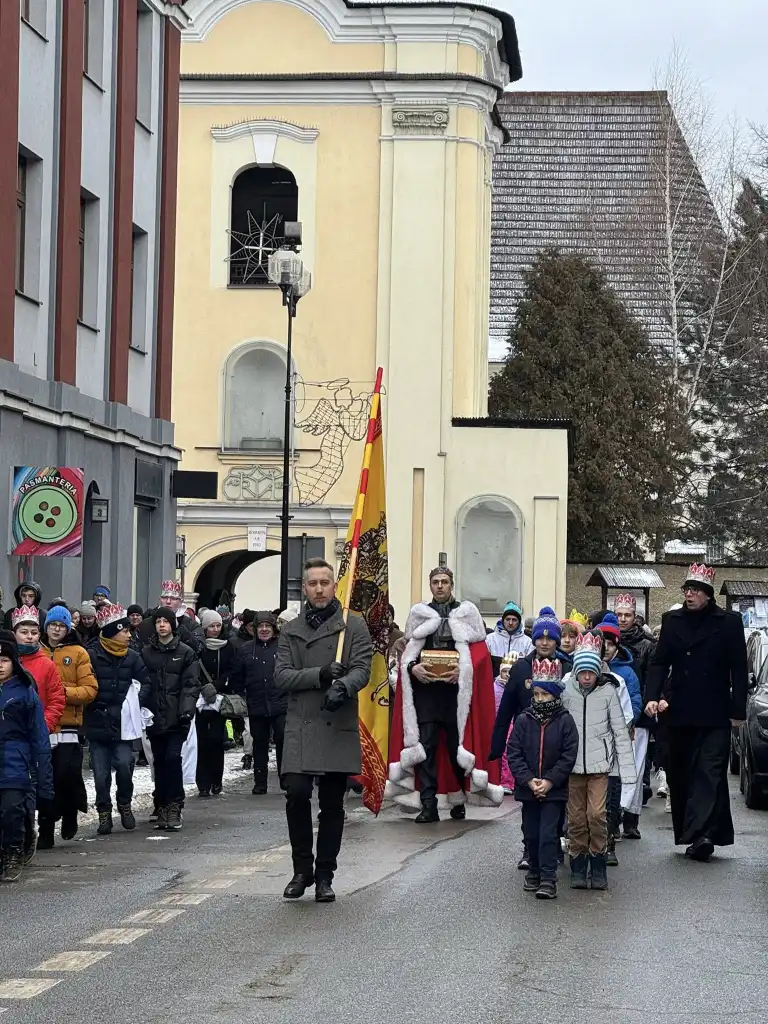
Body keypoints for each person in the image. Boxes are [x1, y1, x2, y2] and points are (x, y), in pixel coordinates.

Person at [274, 558, 372, 903]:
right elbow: (282, 676)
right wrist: (320, 674)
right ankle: (302, 869)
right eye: (312, 583)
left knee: (332, 804)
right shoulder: (290, 630)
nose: (319, 589)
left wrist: (343, 686)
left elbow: (363, 668)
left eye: (325, 583)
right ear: (305, 587)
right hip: (302, 725)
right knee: (297, 794)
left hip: (336, 723)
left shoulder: (353, 626)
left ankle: (325, 874)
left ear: (334, 586)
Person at [645, 563, 748, 862]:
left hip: (716, 712)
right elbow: (659, 663)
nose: (689, 595)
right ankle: (693, 833)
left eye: (695, 590)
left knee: (710, 772)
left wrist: (738, 710)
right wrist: (653, 696)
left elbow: (739, 669)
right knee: (683, 773)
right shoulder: (672, 621)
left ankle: (703, 835)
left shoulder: (729, 622)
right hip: (681, 711)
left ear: (707, 594)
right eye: (686, 590)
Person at [389, 567, 502, 823]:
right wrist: (412, 668)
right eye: (435, 582)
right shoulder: (419, 615)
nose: (440, 586)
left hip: (457, 695)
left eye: (445, 582)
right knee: (425, 747)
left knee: (456, 748)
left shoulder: (467, 614)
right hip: (427, 693)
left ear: (452, 585)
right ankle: (428, 804)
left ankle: (459, 797)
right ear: (430, 585)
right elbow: (408, 653)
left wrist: (463, 671)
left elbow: (481, 654)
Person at [489, 606, 572, 868]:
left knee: (556, 802)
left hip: (557, 746)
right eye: (540, 637)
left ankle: (554, 846)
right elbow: (506, 710)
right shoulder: (522, 669)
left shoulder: (567, 667)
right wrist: (497, 745)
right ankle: (529, 850)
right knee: (529, 806)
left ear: (556, 640)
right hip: (527, 747)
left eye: (550, 638)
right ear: (534, 639)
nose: (544, 642)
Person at [562, 632, 636, 890]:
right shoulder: (566, 691)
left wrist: (627, 771)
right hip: (572, 767)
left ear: (597, 671)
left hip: (600, 768)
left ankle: (599, 861)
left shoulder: (608, 692)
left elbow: (619, 731)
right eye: (581, 672)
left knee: (597, 814)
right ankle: (579, 864)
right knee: (576, 818)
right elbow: (558, 727)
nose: (586, 677)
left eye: (590, 672)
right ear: (576, 672)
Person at [506, 659, 578, 900]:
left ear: (555, 696)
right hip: (529, 790)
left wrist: (549, 781)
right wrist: (529, 780)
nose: (539, 699)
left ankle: (548, 878)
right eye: (536, 694)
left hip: (554, 791)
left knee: (548, 834)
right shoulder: (524, 720)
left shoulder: (566, 721)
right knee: (531, 833)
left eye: (545, 695)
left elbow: (568, 756)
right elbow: (514, 753)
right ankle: (534, 871)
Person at [86, 605, 150, 835]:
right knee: (101, 774)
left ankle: (125, 803)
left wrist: (135, 703)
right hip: (97, 724)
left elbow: (146, 683)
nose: (129, 635)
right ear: (114, 632)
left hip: (124, 725)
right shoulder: (91, 655)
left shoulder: (133, 657)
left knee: (124, 765)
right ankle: (104, 811)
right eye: (125, 631)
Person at [39, 606, 98, 847]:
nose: (56, 629)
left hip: (68, 725)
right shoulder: (36, 652)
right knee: (44, 778)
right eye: (52, 625)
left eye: (61, 625)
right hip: (42, 724)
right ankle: (45, 828)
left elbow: (90, 690)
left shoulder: (78, 653)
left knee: (66, 774)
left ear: (68, 628)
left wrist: (62, 693)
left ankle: (71, 811)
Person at [0, 635, 54, 883]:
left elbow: (38, 734)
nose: (0, 665)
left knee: (12, 808)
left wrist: (42, 774)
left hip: (16, 759)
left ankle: (13, 851)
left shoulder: (24, 691)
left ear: (13, 663)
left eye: (4, 660)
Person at [141, 609, 200, 831]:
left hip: (177, 717)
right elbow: (143, 683)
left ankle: (175, 804)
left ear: (173, 625)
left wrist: (186, 711)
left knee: (173, 758)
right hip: (155, 717)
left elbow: (191, 684)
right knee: (160, 761)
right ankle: (162, 804)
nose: (162, 625)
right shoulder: (147, 653)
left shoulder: (185, 652)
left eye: (166, 621)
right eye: (159, 622)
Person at [238, 612, 286, 795]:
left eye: (268, 626)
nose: (264, 630)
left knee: (282, 740)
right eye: (260, 626)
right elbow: (239, 676)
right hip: (256, 702)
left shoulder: (282, 647)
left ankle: (285, 779)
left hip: (280, 701)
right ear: (255, 629)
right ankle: (260, 782)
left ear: (274, 629)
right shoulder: (246, 649)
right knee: (259, 743)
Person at [195, 610, 240, 797]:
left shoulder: (228, 647)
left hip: (219, 700)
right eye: (211, 626)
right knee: (201, 742)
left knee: (216, 740)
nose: (215, 629)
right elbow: (192, 669)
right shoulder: (198, 647)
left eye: (218, 625)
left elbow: (233, 670)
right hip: (200, 701)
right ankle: (203, 783)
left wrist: (217, 685)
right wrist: (203, 687)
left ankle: (216, 781)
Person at [12, 606, 66, 733]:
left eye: (34, 633)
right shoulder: (6, 661)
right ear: (14, 634)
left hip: (36, 732)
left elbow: (57, 700)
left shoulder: (47, 664)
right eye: (24, 632)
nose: (29, 637)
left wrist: (44, 727)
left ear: (39, 635)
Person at [486, 601, 534, 677]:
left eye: (514, 620)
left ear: (519, 622)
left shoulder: (528, 642)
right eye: (507, 619)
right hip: (495, 685)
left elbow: (529, 669)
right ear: (503, 620)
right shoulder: (490, 639)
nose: (510, 623)